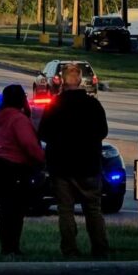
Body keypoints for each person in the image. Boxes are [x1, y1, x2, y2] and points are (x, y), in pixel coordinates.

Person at [38, 63, 110, 258]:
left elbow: (43, 133)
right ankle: (100, 248)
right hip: (88, 165)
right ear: (80, 81)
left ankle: (70, 249)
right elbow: (103, 131)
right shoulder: (93, 105)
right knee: (93, 209)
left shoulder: (54, 105)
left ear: (61, 81)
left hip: (61, 167)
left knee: (65, 210)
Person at [0, 84, 45, 256]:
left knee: (6, 211)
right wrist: (41, 158)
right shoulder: (18, 119)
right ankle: (12, 247)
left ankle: (6, 246)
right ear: (21, 99)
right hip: (14, 169)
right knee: (16, 211)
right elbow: (28, 144)